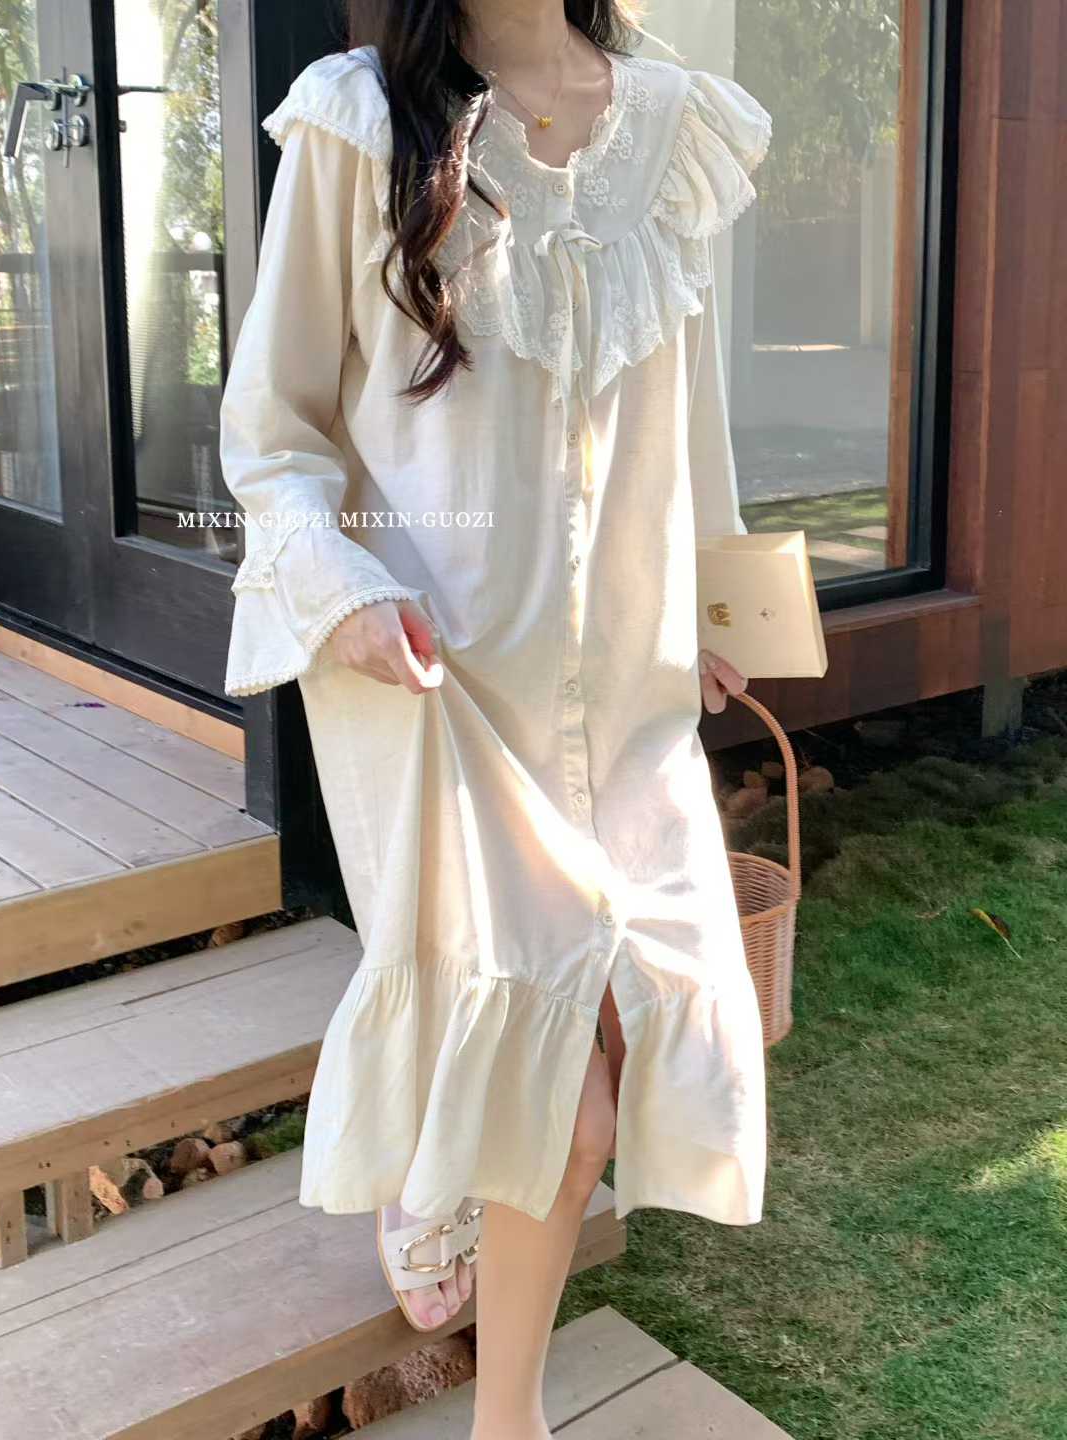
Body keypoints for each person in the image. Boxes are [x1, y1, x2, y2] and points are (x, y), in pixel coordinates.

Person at [219, 3, 772, 1437]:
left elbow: (690, 409)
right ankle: (506, 1411)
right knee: (562, 1105)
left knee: (603, 1047)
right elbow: (272, 428)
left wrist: (716, 602)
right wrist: (335, 584)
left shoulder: (672, 120)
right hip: (436, 680)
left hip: (626, 684)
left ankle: (450, 1197)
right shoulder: (358, 118)